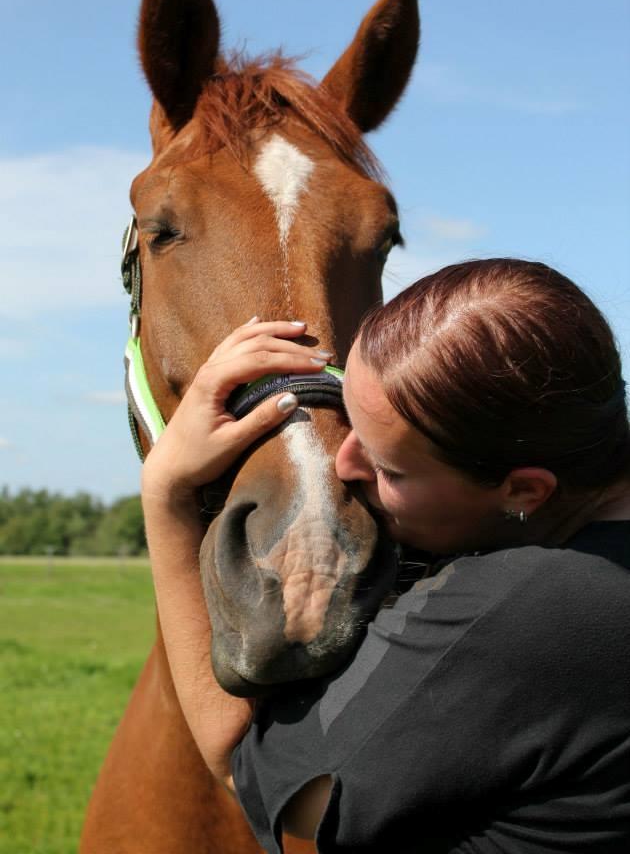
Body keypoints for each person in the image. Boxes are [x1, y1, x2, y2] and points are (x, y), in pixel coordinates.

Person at [141, 258, 630, 853]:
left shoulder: (521, 608)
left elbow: (254, 775)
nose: (345, 465)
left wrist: (165, 492)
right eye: (350, 421)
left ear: (525, 490)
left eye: (390, 469)